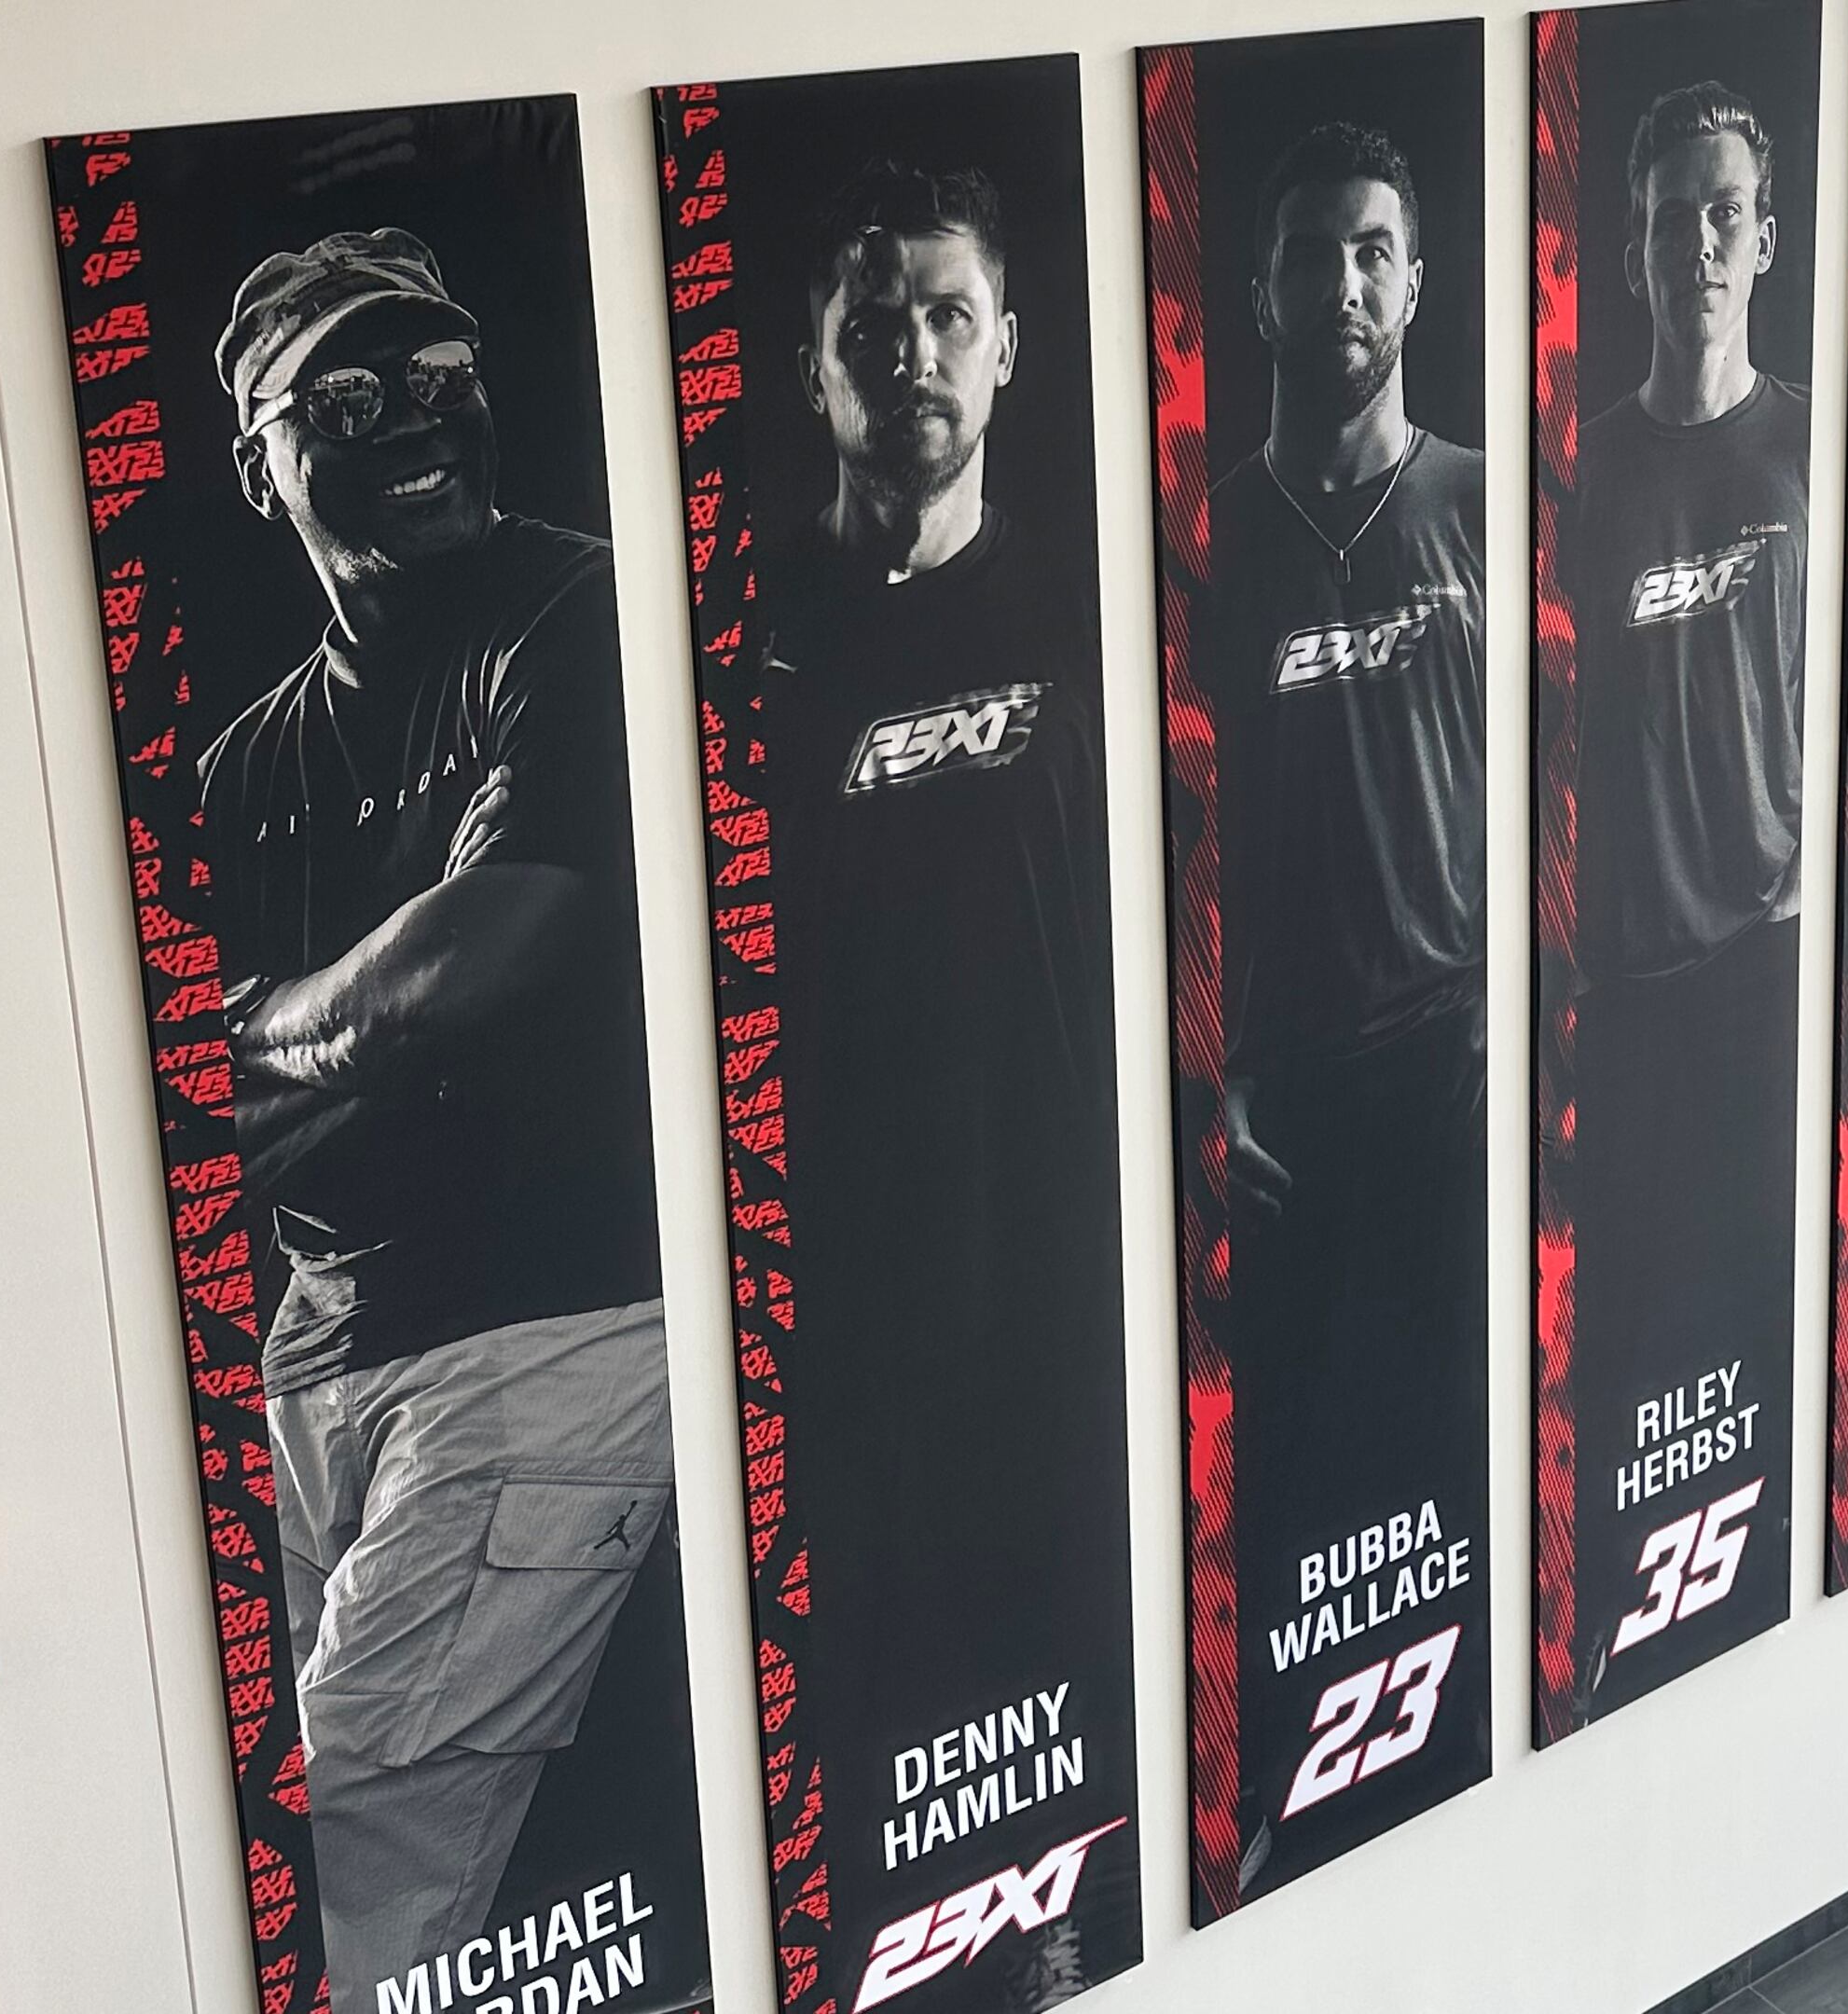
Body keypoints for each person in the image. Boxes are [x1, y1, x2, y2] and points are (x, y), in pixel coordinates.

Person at [196, 228, 667, 2002]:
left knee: (356, 1854)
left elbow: (484, 954)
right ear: (263, 463)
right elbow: (217, 1106)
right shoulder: (248, 766)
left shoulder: (580, 611)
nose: (419, 419)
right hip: (313, 1359)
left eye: (448, 377)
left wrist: (294, 1030)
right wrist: (342, 1035)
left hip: (552, 1316)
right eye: (351, 392)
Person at [748, 162, 1128, 1993]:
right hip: (848, 1294)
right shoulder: (752, 650)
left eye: (947, 316)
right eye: (872, 324)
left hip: (1055, 1253)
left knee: (1061, 1627)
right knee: (884, 1675)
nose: (913, 354)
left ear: (1010, 351)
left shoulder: (1088, 608)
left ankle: (1059, 1925)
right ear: (814, 368)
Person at [1203, 119, 1489, 1888]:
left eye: (1375, 248)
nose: (1346, 284)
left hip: (1451, 1062)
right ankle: (1282, 1828)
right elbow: (1176, 827)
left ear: (1418, 279)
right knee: (1290, 1479)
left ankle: (1466, 1769)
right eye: (1315, 253)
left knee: (1462, 1446)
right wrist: (1210, 1069)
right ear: (1263, 291)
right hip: (1280, 1099)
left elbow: (1555, 782)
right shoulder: (1209, 531)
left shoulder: (1478, 496)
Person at [1559, 80, 1806, 1696]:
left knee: (1767, 1311)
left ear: (1766, 241)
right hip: (1630, 986)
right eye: (1670, 215)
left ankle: (1766, 1614)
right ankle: (1622, 1639)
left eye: (1724, 212)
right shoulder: (1580, 474)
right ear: (1632, 250)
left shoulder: (1812, 440)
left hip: (1776, 966)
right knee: (1637, 1336)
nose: (1698, 242)